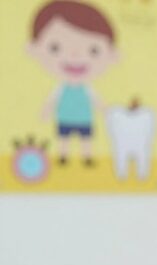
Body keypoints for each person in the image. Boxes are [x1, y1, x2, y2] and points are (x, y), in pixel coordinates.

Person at [27, 0, 119, 167]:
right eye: (55, 48)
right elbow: (52, 100)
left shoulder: (87, 88)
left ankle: (87, 156)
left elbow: (96, 100)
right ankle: (63, 156)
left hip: (84, 118)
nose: (75, 55)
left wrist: (106, 111)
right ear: (33, 49)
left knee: (86, 139)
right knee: (64, 138)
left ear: (113, 55)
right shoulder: (61, 88)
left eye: (93, 50)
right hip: (65, 117)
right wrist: (46, 111)